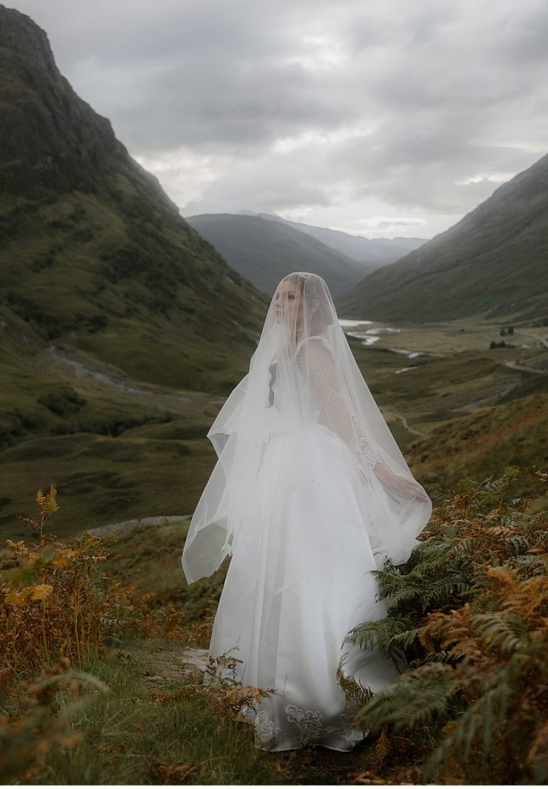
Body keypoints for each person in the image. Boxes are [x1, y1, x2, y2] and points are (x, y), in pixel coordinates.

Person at [182, 271, 433, 751]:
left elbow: (335, 420)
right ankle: (323, 692)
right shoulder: (306, 350)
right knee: (324, 572)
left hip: (287, 473)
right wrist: (386, 477)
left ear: (312, 305)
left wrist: (383, 475)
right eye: (277, 295)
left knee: (292, 574)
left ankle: (275, 690)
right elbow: (345, 424)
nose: (279, 303)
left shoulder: (295, 351)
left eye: (290, 296)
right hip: (309, 473)